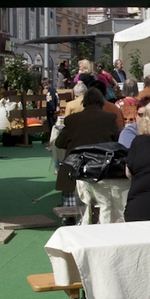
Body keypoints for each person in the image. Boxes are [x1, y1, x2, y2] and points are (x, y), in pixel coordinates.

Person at [54, 85, 122, 214]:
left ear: (84, 102)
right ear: (102, 102)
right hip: (102, 169)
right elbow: (117, 142)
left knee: (72, 209)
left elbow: (59, 143)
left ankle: (70, 220)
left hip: (74, 169)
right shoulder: (109, 118)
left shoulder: (72, 119)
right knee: (104, 207)